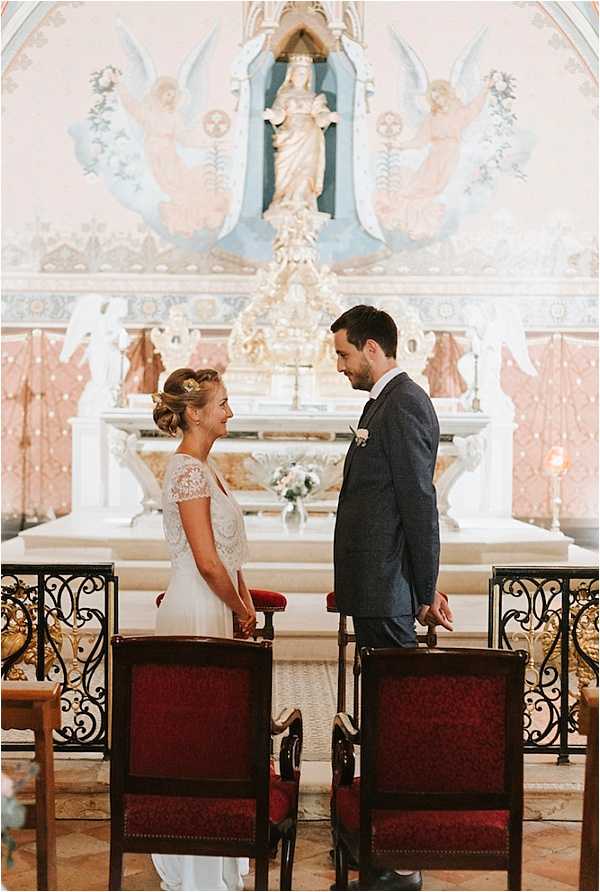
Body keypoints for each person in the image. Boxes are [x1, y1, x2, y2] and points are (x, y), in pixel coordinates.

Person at [331, 305, 453, 892]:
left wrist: (425, 586)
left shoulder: (402, 403)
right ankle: (384, 846)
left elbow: (418, 501)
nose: (340, 366)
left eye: (344, 354)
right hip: (376, 586)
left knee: (394, 722)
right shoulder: (383, 402)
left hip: (386, 589)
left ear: (373, 349)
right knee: (381, 718)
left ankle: (402, 858)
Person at [151, 367, 256, 891]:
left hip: (210, 606)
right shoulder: (188, 472)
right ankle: (193, 867)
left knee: (214, 738)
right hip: (195, 608)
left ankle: (214, 852)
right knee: (196, 740)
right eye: (222, 404)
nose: (229, 412)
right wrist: (240, 607)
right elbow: (206, 561)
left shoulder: (207, 469)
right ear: (195, 413)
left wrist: (242, 597)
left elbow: (227, 555)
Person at [263, 54, 339, 211]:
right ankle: (283, 198)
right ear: (290, 74)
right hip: (289, 136)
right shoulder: (283, 95)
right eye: (297, 72)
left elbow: (319, 117)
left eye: (304, 73)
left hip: (310, 136)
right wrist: (272, 114)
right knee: (284, 168)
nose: (300, 76)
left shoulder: (314, 97)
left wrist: (329, 116)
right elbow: (279, 115)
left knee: (306, 169)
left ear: (309, 76)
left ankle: (302, 199)